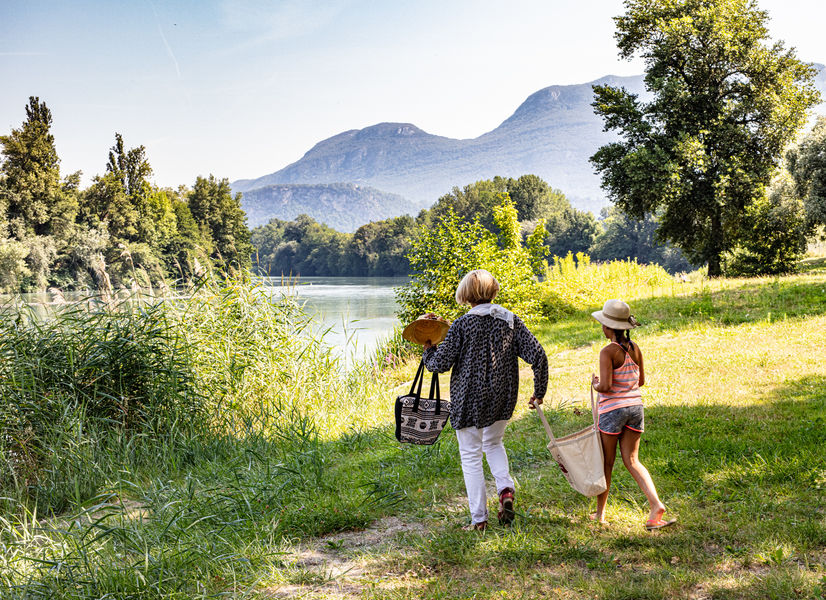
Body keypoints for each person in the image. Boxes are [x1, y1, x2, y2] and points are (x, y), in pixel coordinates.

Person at [422, 269, 548, 531]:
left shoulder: (462, 324)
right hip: (503, 396)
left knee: (470, 456)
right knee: (493, 443)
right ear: (493, 291)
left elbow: (439, 365)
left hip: (468, 398)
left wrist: (428, 350)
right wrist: (539, 391)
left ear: (466, 294)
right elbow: (539, 355)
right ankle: (505, 489)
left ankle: (479, 519)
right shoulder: (511, 320)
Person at [590, 299, 675, 530]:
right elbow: (641, 381)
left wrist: (596, 384)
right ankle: (656, 505)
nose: (602, 327)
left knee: (607, 463)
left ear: (608, 328)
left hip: (613, 411)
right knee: (633, 460)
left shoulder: (608, 351)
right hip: (635, 409)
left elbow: (606, 387)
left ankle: (600, 514)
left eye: (603, 324)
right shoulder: (635, 348)